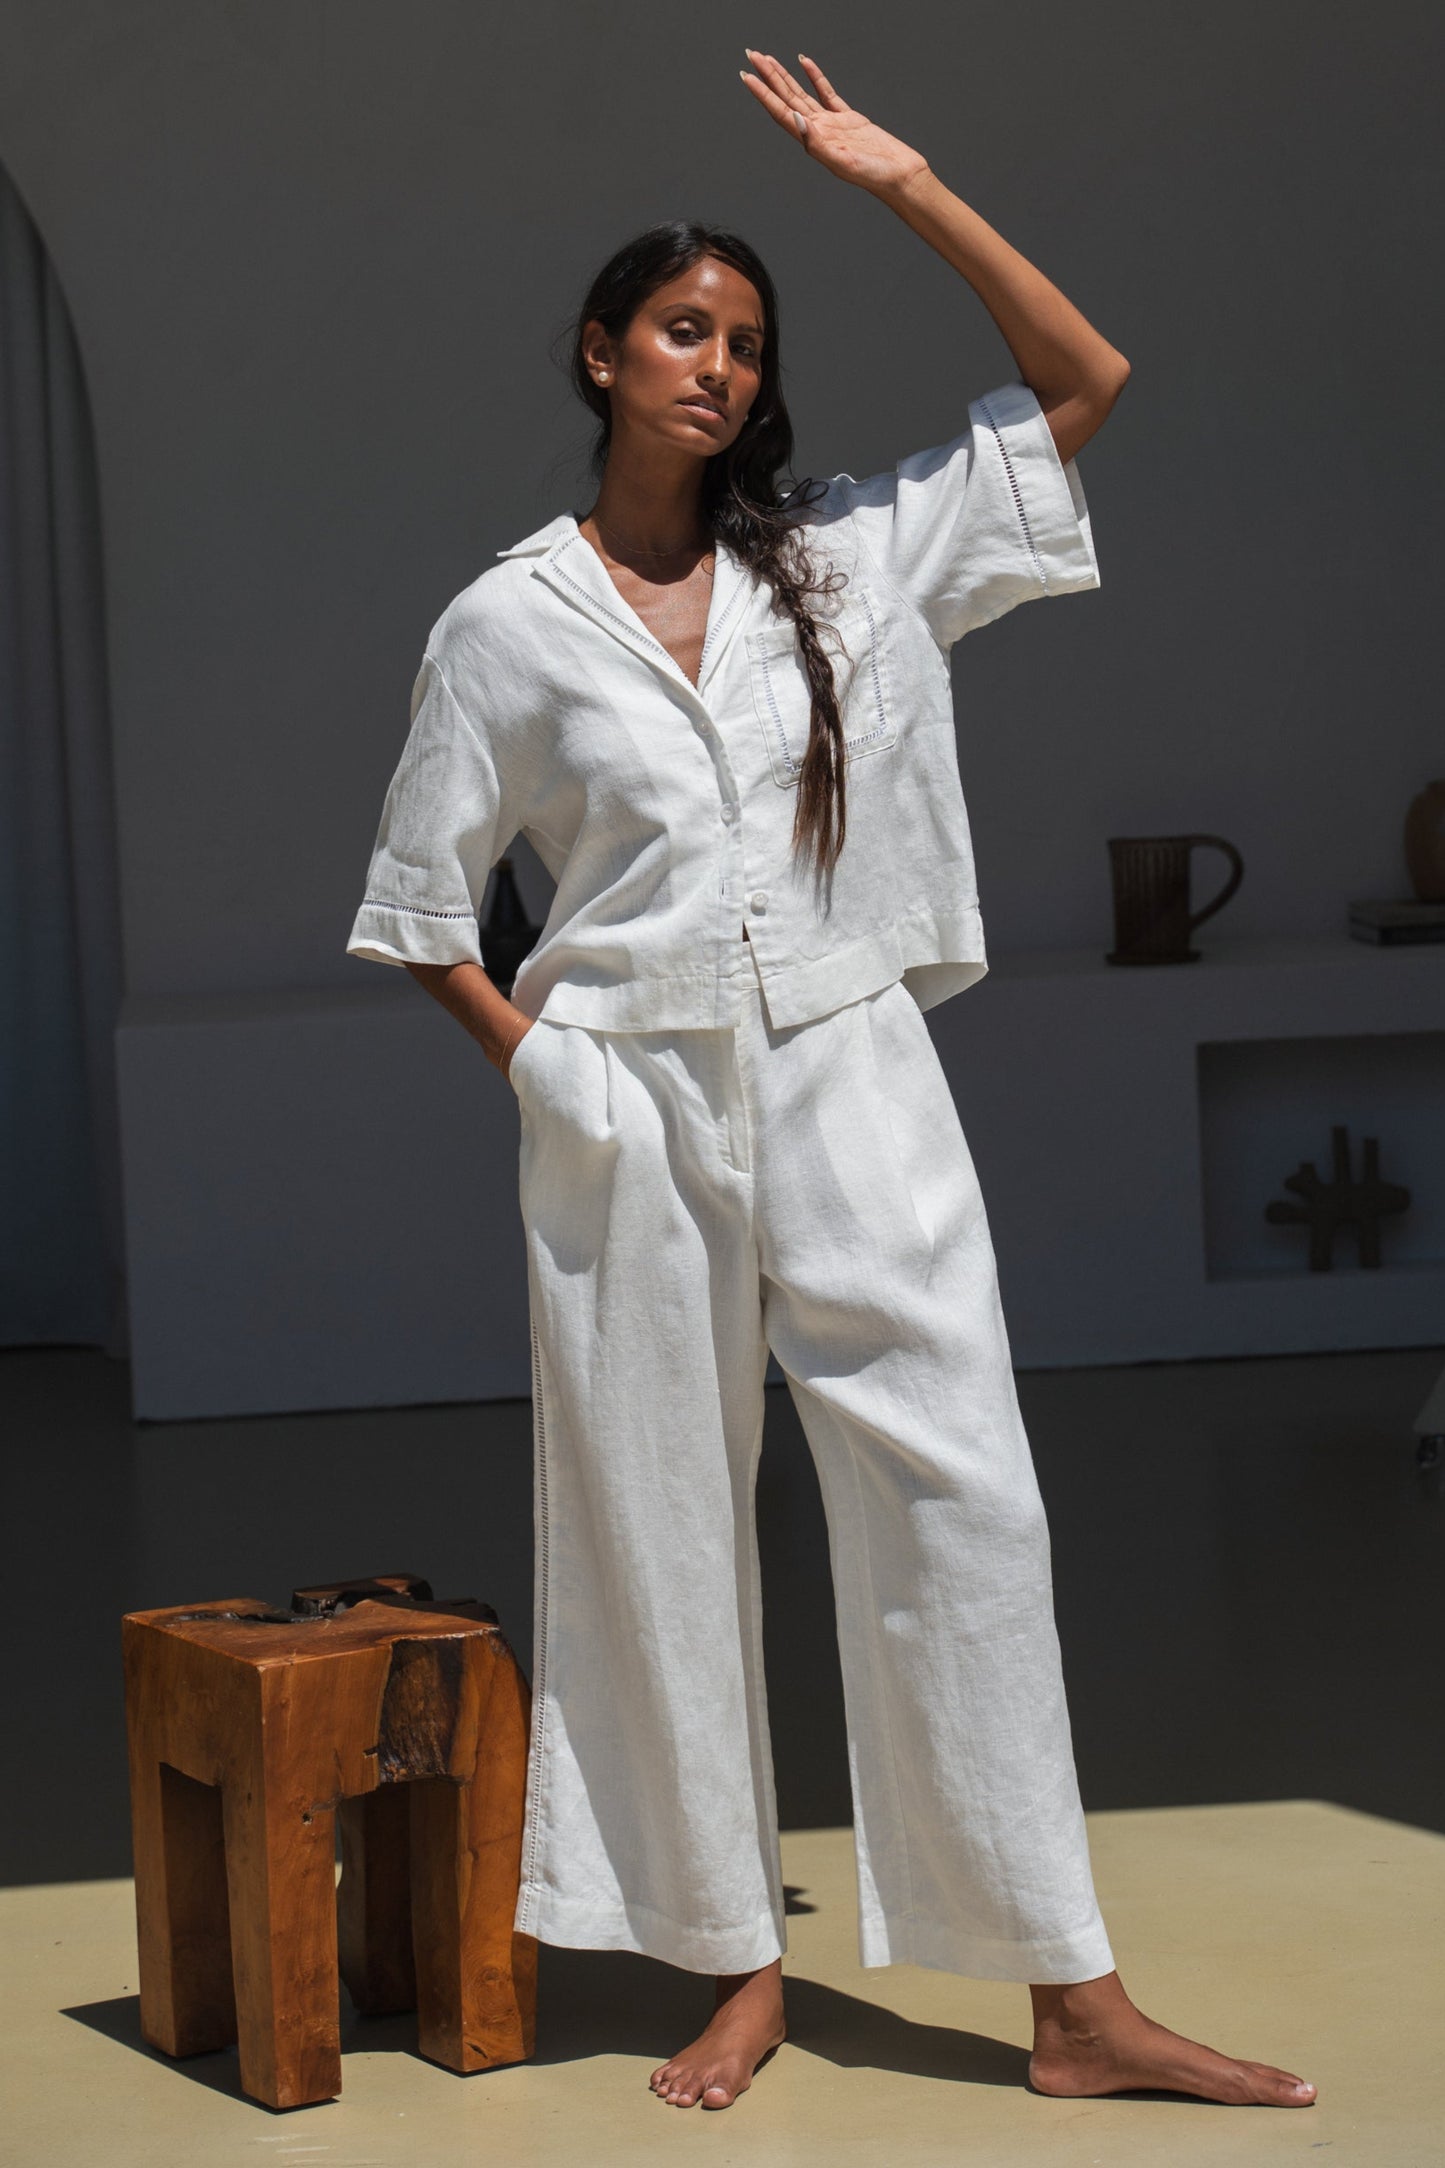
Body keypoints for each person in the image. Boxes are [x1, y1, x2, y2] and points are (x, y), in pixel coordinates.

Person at [346, 47, 1317, 2119]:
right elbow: (424, 909)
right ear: (603, 353)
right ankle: (733, 1964)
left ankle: (1070, 1995)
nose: (716, 363)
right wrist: (560, 1077)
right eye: (682, 328)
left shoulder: (853, 560)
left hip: (853, 1064)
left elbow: (1087, 384)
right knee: (660, 1530)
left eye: (747, 341)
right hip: (634, 1104)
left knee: (966, 1496)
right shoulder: (505, 627)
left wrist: (912, 182)